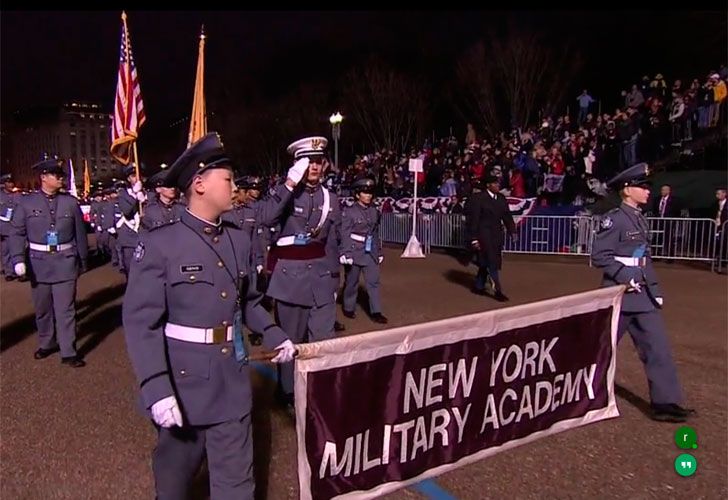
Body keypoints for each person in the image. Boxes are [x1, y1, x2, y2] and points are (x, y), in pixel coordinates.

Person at [122, 132, 294, 499]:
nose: (235, 187)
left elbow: (247, 301)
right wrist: (155, 387)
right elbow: (141, 322)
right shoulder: (159, 243)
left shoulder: (239, 239)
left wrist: (275, 332)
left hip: (231, 380)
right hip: (184, 385)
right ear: (199, 184)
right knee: (174, 485)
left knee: (236, 486)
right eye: (228, 179)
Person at [591, 162, 693, 422]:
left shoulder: (639, 218)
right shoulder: (613, 219)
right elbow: (600, 256)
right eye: (642, 186)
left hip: (642, 295)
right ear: (627, 190)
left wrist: (654, 288)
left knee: (657, 348)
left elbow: (643, 259)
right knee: (600, 349)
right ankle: (582, 393)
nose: (649, 191)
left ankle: (665, 403)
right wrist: (626, 277)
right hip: (619, 295)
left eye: (648, 186)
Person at [264, 136, 340, 415]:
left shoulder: (331, 198)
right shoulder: (285, 193)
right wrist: (288, 185)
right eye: (308, 162)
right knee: (290, 342)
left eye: (319, 161)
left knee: (322, 340)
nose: (315, 167)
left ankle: (320, 391)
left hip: (321, 280)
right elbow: (266, 218)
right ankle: (287, 392)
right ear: (298, 164)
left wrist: (334, 280)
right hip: (290, 281)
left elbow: (332, 241)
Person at [9, 158, 88, 367]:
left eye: (61, 174)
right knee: (43, 309)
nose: (61, 178)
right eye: (56, 175)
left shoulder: (70, 203)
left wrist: (83, 260)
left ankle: (69, 350)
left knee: (66, 309)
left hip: (65, 262)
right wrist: (17, 259)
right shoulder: (26, 203)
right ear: (43, 177)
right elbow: (16, 233)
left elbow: (80, 234)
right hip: (38, 264)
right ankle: (47, 342)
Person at [340, 177, 387, 323]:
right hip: (354, 250)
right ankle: (348, 307)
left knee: (373, 282)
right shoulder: (349, 212)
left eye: (370, 193)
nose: (368, 196)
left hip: (370, 251)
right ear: (357, 194)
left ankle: (376, 311)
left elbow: (375, 232)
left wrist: (378, 251)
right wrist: (345, 252)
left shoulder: (374, 211)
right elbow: (345, 233)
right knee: (352, 282)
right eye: (364, 193)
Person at [464, 175, 516, 302]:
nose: (498, 185)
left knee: (486, 263)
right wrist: (474, 239)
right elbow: (473, 220)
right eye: (495, 183)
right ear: (488, 185)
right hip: (483, 235)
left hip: (496, 236)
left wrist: (512, 230)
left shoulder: (501, 199)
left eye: (498, 183)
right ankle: (497, 291)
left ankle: (478, 286)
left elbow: (507, 216)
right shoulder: (479, 199)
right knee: (491, 262)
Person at [117, 164, 146, 277]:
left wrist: (145, 202)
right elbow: (127, 211)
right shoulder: (123, 194)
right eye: (134, 175)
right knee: (132, 272)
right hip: (129, 239)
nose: (137, 178)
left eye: (140, 175)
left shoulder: (149, 193)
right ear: (128, 178)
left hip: (146, 238)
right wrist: (134, 195)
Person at [140, 165, 185, 231]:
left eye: (174, 185)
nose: (172, 188)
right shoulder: (150, 211)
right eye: (168, 186)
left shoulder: (182, 209)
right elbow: (144, 236)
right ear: (158, 189)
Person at [0, 173, 21, 280]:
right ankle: (9, 272)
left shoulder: (18, 196)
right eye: (8, 182)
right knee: (6, 251)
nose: (11, 184)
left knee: (18, 250)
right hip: (4, 228)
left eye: (12, 182)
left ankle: (20, 271)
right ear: (4, 184)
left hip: (17, 228)